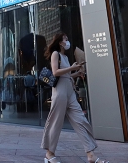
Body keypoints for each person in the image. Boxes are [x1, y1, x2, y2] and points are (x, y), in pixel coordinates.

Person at [41, 32, 108, 163]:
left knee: (81, 120)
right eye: (65, 39)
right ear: (60, 42)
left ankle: (90, 155)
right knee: (56, 122)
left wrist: (77, 73)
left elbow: (66, 76)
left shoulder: (65, 57)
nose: (67, 41)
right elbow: (55, 72)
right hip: (60, 91)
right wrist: (72, 67)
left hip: (70, 91)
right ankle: (49, 154)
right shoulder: (55, 54)